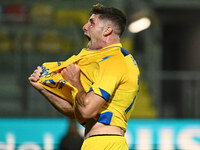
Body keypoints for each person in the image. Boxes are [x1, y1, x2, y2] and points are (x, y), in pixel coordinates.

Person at [29, 3, 140, 150]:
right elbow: (77, 111)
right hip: (98, 142)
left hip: (105, 144)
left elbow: (87, 110)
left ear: (107, 30)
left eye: (92, 22)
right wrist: (43, 89)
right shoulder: (107, 62)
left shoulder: (115, 61)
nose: (85, 26)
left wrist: (75, 80)